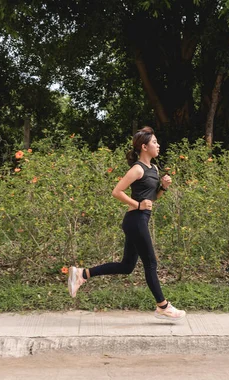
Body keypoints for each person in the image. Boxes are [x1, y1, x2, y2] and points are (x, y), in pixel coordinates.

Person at [67, 127, 186, 321]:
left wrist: (163, 187)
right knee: (151, 263)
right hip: (135, 221)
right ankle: (162, 306)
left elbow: (152, 199)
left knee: (127, 266)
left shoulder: (154, 169)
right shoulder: (137, 169)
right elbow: (117, 191)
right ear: (144, 147)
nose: (158, 145)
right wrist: (137, 204)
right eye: (154, 142)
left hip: (139, 220)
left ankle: (82, 274)